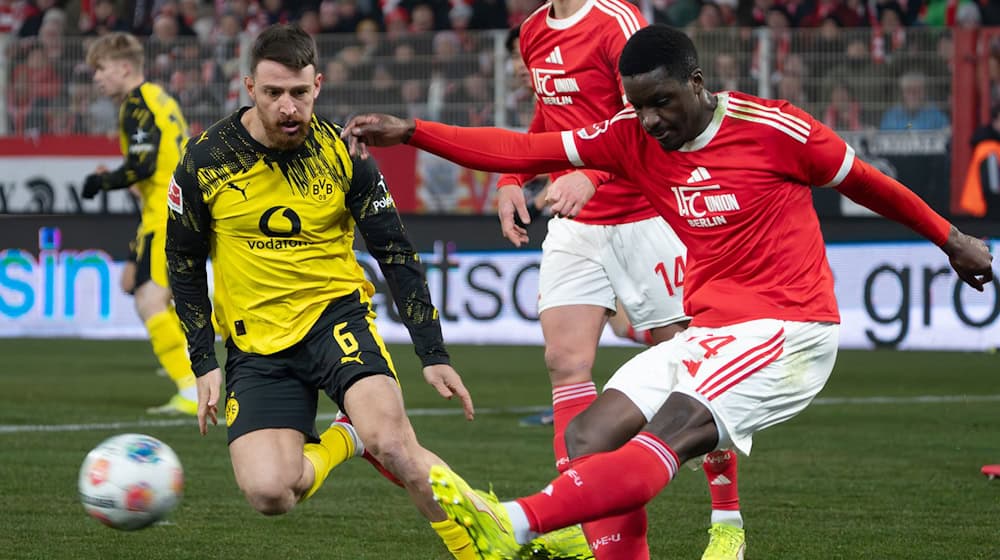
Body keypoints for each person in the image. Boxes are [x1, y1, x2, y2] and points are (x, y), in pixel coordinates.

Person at [341, 24, 994, 558]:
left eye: (663, 102)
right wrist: (414, 132)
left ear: (696, 83)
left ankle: (512, 522)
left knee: (674, 428)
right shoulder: (629, 139)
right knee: (589, 438)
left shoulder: (777, 129)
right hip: (714, 331)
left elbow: (866, 181)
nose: (651, 120)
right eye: (637, 105)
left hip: (789, 329)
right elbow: (521, 143)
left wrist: (950, 238)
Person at [162, 24, 483, 560]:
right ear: (248, 88)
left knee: (395, 443)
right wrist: (203, 362)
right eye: (273, 93)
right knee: (270, 492)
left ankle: (486, 546)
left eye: (299, 93)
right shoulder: (204, 161)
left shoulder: (346, 154)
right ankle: (343, 438)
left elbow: (396, 253)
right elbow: (183, 261)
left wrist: (432, 351)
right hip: (257, 345)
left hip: (336, 322)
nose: (288, 107)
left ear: (319, 84)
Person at [502, 1, 745, 556]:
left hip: (648, 215)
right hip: (576, 223)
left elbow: (645, 117)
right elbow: (549, 119)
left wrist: (590, 173)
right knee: (564, 361)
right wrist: (513, 176)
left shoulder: (616, 21)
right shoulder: (535, 29)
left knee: (698, 369)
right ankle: (572, 521)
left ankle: (727, 520)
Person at [82, 32, 198, 415]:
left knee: (150, 302)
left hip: (166, 214)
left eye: (100, 69)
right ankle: (194, 362)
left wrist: (102, 181)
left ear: (124, 67)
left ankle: (191, 386)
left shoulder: (136, 105)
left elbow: (143, 164)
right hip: (170, 209)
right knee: (138, 285)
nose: (96, 77)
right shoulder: (160, 98)